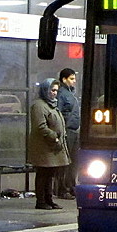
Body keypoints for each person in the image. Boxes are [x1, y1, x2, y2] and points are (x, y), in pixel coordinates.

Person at [28, 79, 70, 210]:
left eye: (56, 90)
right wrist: (54, 137)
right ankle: (41, 201)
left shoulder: (52, 105)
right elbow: (40, 126)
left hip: (52, 147)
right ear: (45, 90)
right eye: (52, 90)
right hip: (44, 147)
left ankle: (49, 199)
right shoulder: (39, 106)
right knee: (43, 174)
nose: (54, 93)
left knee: (50, 174)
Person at [56, 68, 80, 200]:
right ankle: (63, 188)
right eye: (71, 78)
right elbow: (58, 112)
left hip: (74, 130)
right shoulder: (62, 94)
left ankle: (71, 186)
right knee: (66, 162)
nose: (74, 81)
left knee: (74, 161)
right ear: (64, 79)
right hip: (67, 131)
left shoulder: (71, 94)